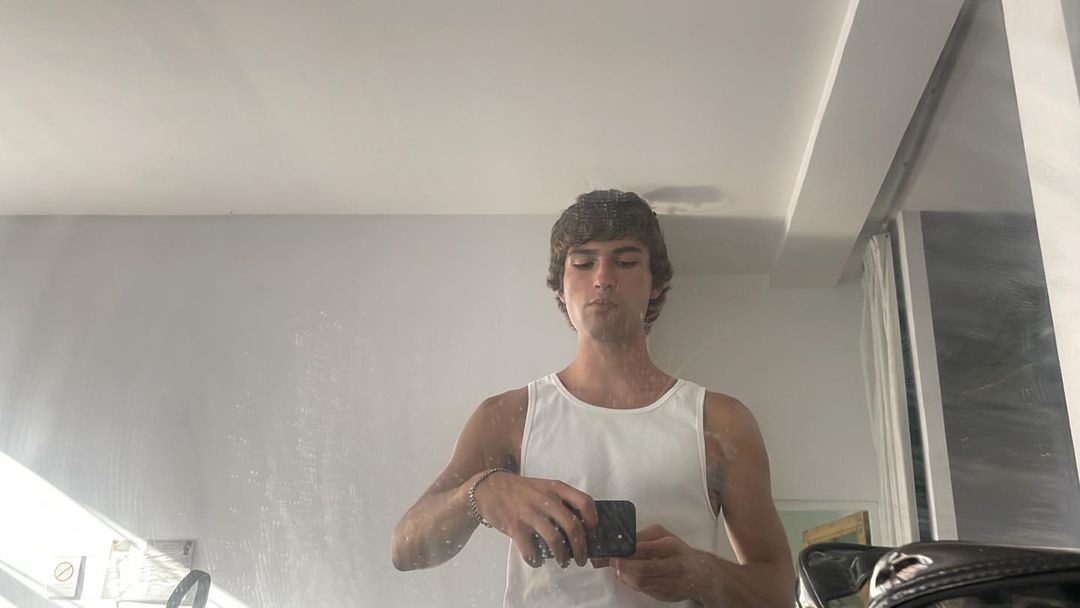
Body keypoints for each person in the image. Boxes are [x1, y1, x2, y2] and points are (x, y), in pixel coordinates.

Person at [391, 190, 795, 607]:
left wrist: (705, 575)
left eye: (626, 262)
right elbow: (405, 548)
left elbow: (782, 593)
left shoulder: (720, 420)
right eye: (583, 263)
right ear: (560, 289)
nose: (603, 278)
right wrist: (481, 493)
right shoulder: (509, 415)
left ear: (655, 284)